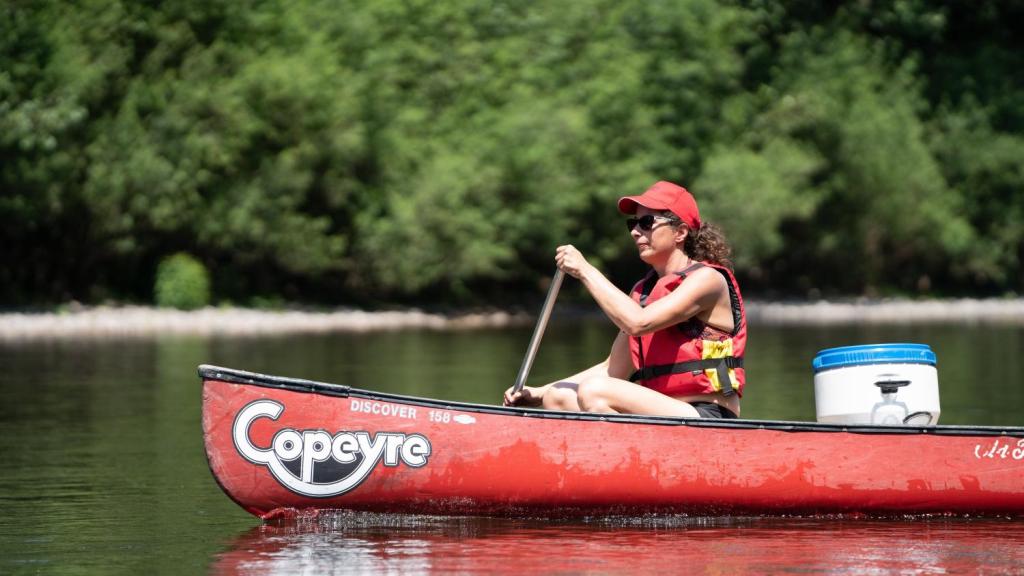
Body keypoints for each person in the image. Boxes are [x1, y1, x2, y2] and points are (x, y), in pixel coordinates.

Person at [503, 181, 747, 418]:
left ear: (681, 232)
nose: (635, 231)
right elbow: (613, 369)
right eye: (633, 223)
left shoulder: (708, 280)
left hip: (708, 415)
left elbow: (638, 323)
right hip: (664, 416)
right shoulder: (643, 293)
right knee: (558, 397)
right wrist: (538, 392)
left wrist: (584, 269)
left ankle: (620, 457)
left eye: (646, 222)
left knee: (595, 391)